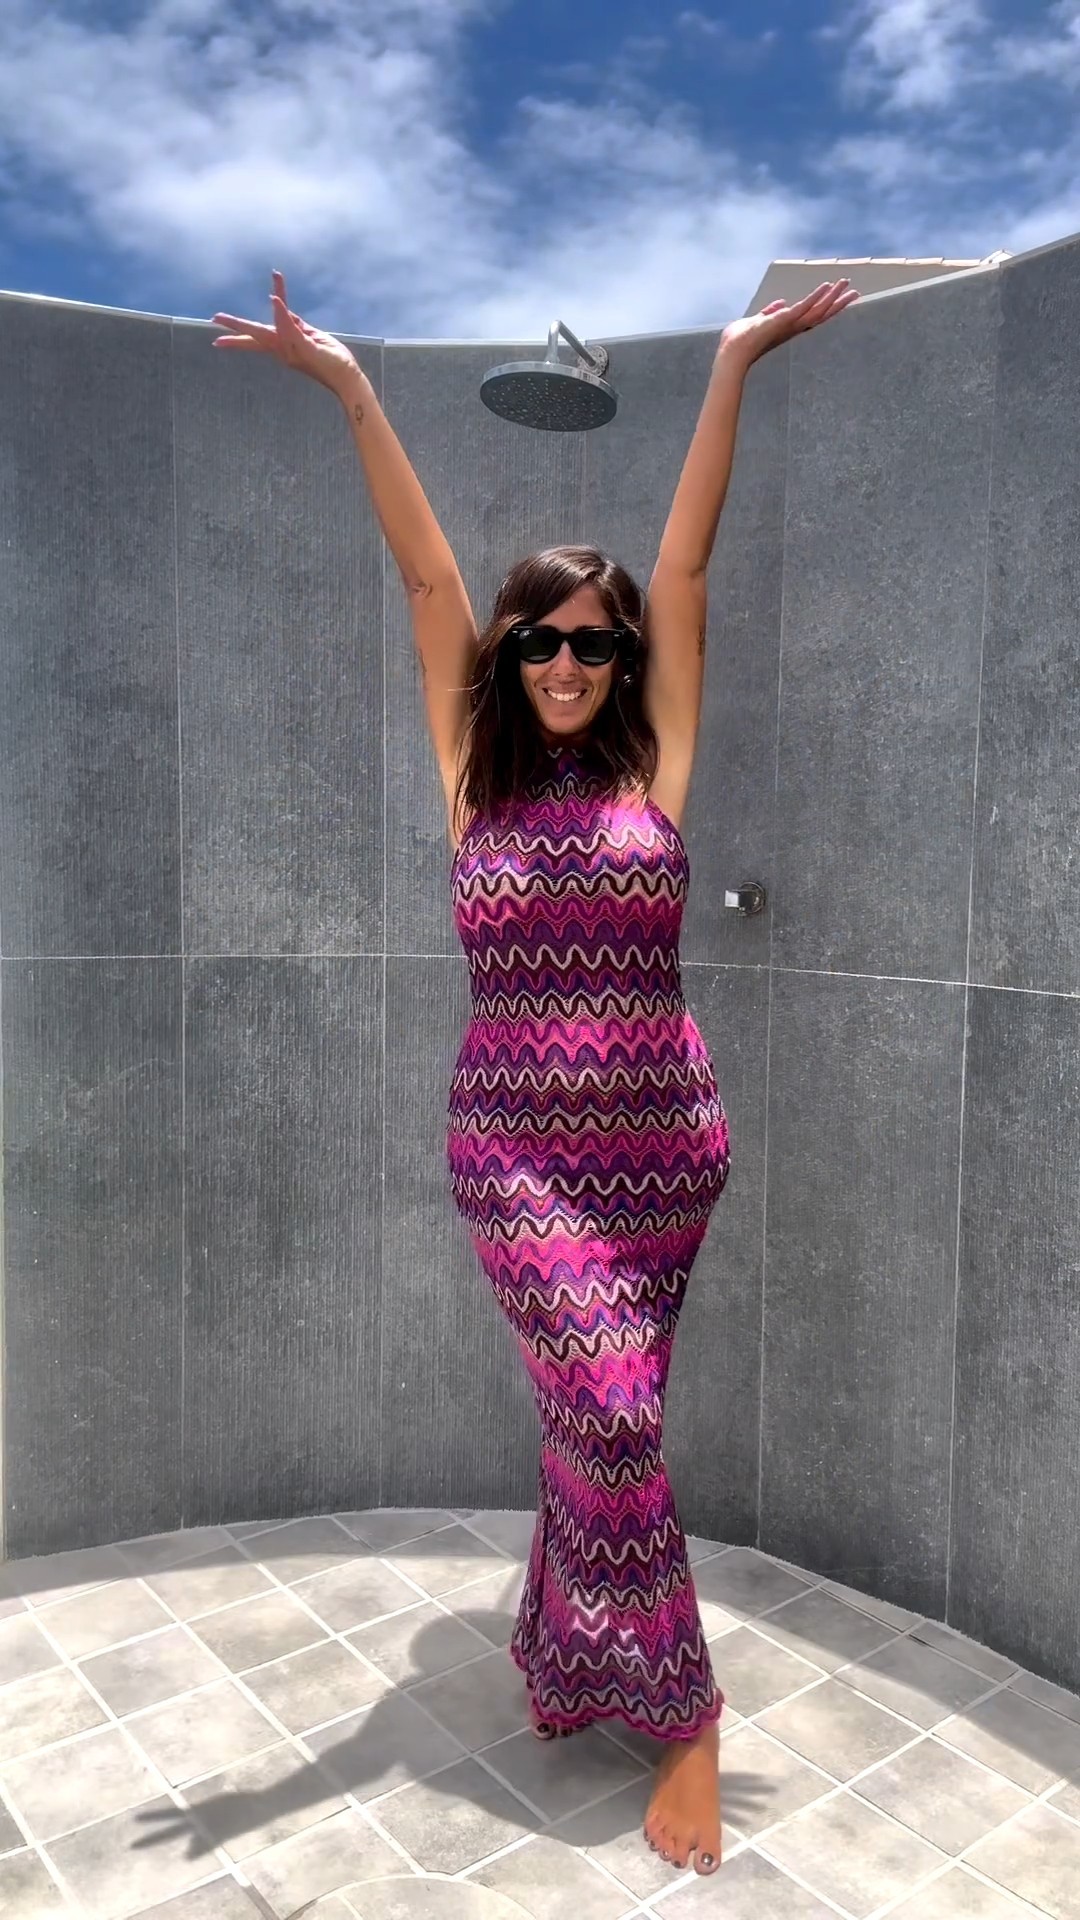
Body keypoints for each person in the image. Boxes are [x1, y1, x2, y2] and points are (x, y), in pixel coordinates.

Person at [211, 266, 858, 1877]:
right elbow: (427, 575)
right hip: (514, 1155)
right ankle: (687, 1716)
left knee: (602, 1422)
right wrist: (354, 390)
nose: (567, 664)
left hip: (667, 1148)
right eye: (542, 643)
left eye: (594, 643)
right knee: (613, 1411)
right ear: (508, 658)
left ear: (624, 660)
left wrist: (733, 366)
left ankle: (569, 1653)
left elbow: (687, 560)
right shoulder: (471, 784)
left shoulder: (657, 771)